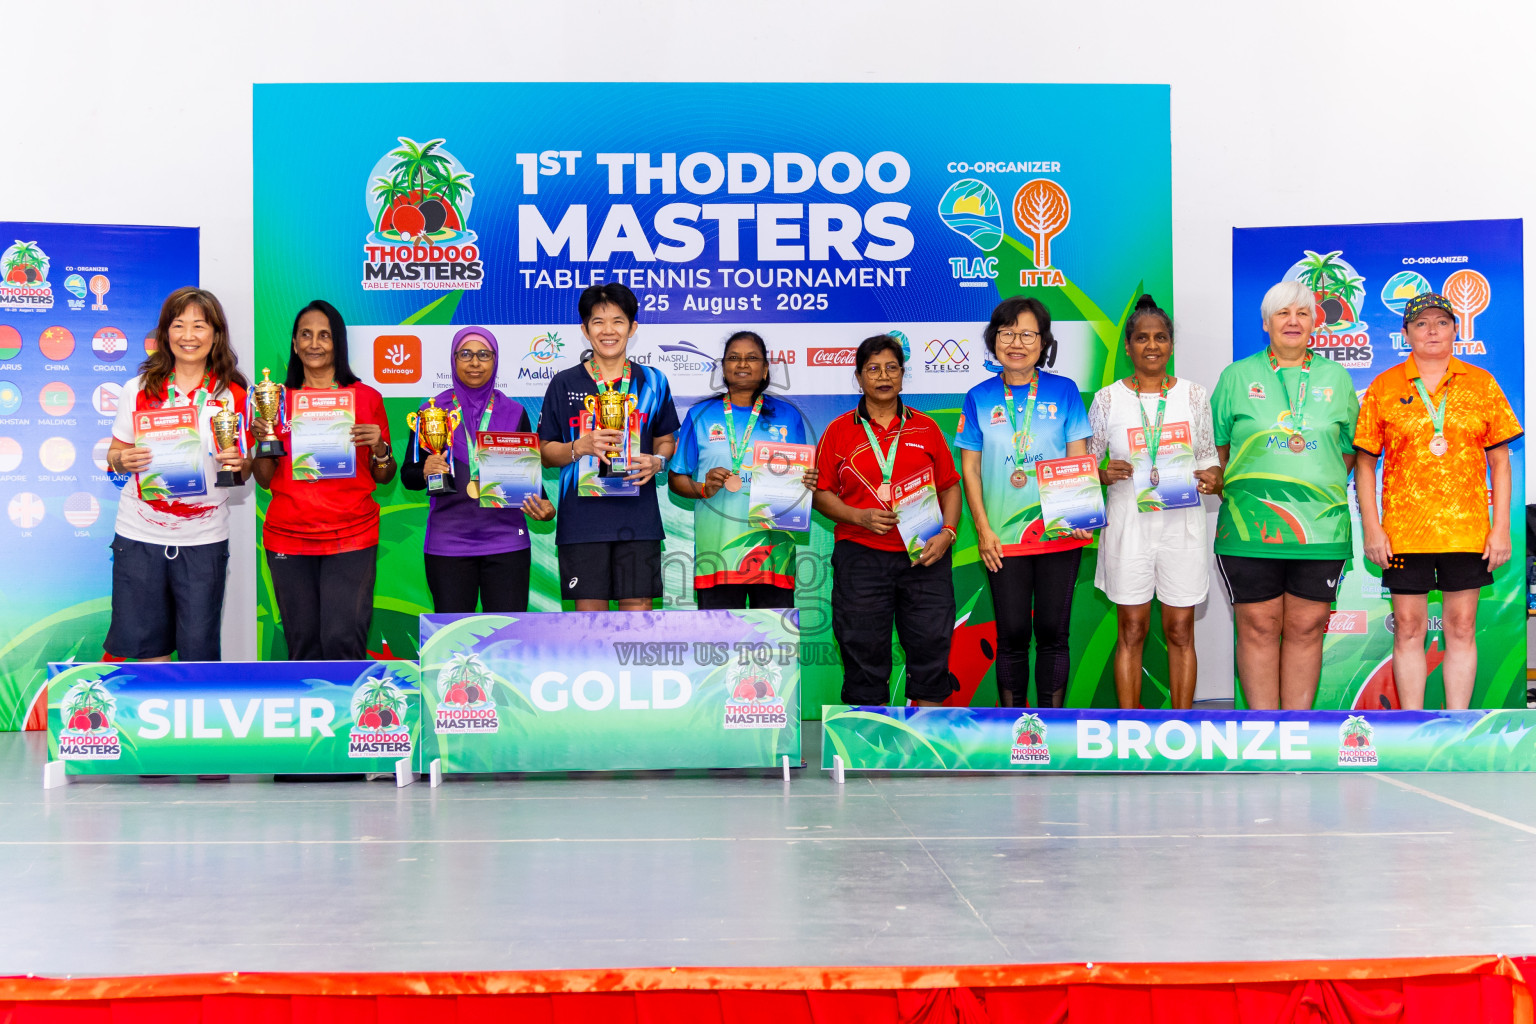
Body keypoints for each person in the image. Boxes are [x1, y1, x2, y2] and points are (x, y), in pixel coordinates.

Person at [1355, 293, 1522, 710]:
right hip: (1404, 533)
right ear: (1405, 333)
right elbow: (1364, 463)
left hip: (1466, 531)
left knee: (1462, 627)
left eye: (1442, 322)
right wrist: (1373, 529)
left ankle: (1458, 726)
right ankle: (1411, 727)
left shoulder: (1481, 383)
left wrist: (1499, 529)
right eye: (1422, 323)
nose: (1432, 330)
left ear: (1455, 330)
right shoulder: (1384, 386)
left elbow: (1500, 463)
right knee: (1408, 628)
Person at [1211, 279, 1359, 710]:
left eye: (1302, 313)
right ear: (1266, 323)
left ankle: (1297, 732)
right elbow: (1219, 449)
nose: (1293, 321)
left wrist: (1314, 484)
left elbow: (1348, 451)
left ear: (1316, 322)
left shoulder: (1336, 378)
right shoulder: (1236, 377)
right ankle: (1262, 734)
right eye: (1283, 313)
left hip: (1321, 526)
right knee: (1257, 624)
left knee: (1308, 625)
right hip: (1249, 525)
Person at [956, 297, 1093, 709]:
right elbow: (971, 471)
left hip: (1059, 533)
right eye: (1007, 333)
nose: (1017, 342)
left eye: (1028, 334)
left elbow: (1078, 459)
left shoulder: (1064, 391)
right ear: (994, 340)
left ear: (1044, 341)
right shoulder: (978, 397)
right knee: (1012, 634)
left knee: (1054, 631)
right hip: (1003, 539)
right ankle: (1014, 729)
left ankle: (1051, 728)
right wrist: (983, 530)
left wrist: (1081, 512)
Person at [813, 335, 962, 706]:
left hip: (924, 556)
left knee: (930, 646)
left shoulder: (926, 428)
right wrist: (857, 516)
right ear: (859, 377)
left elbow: (950, 487)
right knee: (863, 649)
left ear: (902, 374)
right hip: (860, 556)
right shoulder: (838, 430)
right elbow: (820, 493)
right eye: (873, 369)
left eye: (891, 368)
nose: (883, 376)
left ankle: (927, 744)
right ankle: (867, 747)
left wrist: (947, 534)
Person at [1089, 295, 1221, 709]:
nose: (1152, 346)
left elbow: (1209, 461)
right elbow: (1086, 466)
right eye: (1142, 338)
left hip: (1182, 526)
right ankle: (1131, 727)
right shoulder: (1107, 400)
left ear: (1171, 345)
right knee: (1131, 628)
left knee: (1181, 630)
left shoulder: (1194, 396)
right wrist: (1103, 474)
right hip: (1129, 526)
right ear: (1128, 346)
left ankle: (1182, 726)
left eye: (1160, 337)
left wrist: (1212, 478)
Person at [104, 287, 249, 661]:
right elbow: (114, 455)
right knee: (147, 645)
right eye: (178, 325)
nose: (188, 336)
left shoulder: (232, 393)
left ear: (216, 334)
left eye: (199, 326)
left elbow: (244, 467)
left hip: (203, 537)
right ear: (165, 333)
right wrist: (125, 461)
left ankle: (187, 721)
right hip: (139, 532)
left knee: (198, 650)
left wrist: (236, 461)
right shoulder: (136, 389)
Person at [251, 300, 394, 659]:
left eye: (325, 335)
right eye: (306, 335)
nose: (315, 343)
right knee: (302, 646)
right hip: (289, 537)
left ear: (338, 343)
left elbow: (384, 474)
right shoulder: (275, 401)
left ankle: (350, 714)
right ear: (295, 344)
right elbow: (265, 480)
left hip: (352, 536)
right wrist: (264, 439)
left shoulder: (366, 398)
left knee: (342, 640)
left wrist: (380, 448)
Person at [538, 283, 679, 610]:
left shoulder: (654, 381)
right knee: (591, 628)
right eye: (598, 322)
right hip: (582, 523)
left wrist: (658, 461)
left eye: (618, 321)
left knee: (637, 625)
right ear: (585, 330)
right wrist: (580, 446)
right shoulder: (564, 383)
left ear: (633, 327)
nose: (608, 330)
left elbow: (666, 439)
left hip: (638, 519)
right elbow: (545, 452)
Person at [402, 326, 555, 613]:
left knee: (506, 640)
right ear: (454, 359)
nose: (475, 362)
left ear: (495, 361)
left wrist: (544, 506)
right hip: (448, 544)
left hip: (507, 541)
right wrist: (424, 469)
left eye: (484, 355)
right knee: (454, 639)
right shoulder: (432, 411)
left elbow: (528, 475)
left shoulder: (514, 411)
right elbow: (408, 477)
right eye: (466, 354)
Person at [669, 331, 817, 609]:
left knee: (775, 648)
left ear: (765, 369)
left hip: (775, 554)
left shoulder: (788, 416)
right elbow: (676, 478)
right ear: (723, 367)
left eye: (752, 358)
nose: (742, 364)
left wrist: (806, 482)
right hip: (718, 553)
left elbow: (801, 479)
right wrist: (703, 488)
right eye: (734, 358)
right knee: (720, 648)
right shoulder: (700, 415)